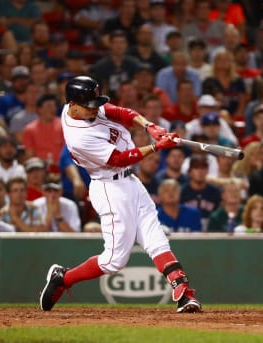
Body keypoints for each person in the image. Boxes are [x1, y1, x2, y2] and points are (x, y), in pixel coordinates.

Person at [39, 75, 201, 313]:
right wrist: (157, 146)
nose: (95, 110)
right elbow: (118, 159)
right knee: (114, 260)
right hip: (109, 188)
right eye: (89, 106)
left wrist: (150, 126)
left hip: (131, 182)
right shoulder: (79, 136)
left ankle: (184, 294)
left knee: (155, 238)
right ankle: (63, 279)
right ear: (72, 105)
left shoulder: (81, 106)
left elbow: (121, 112)